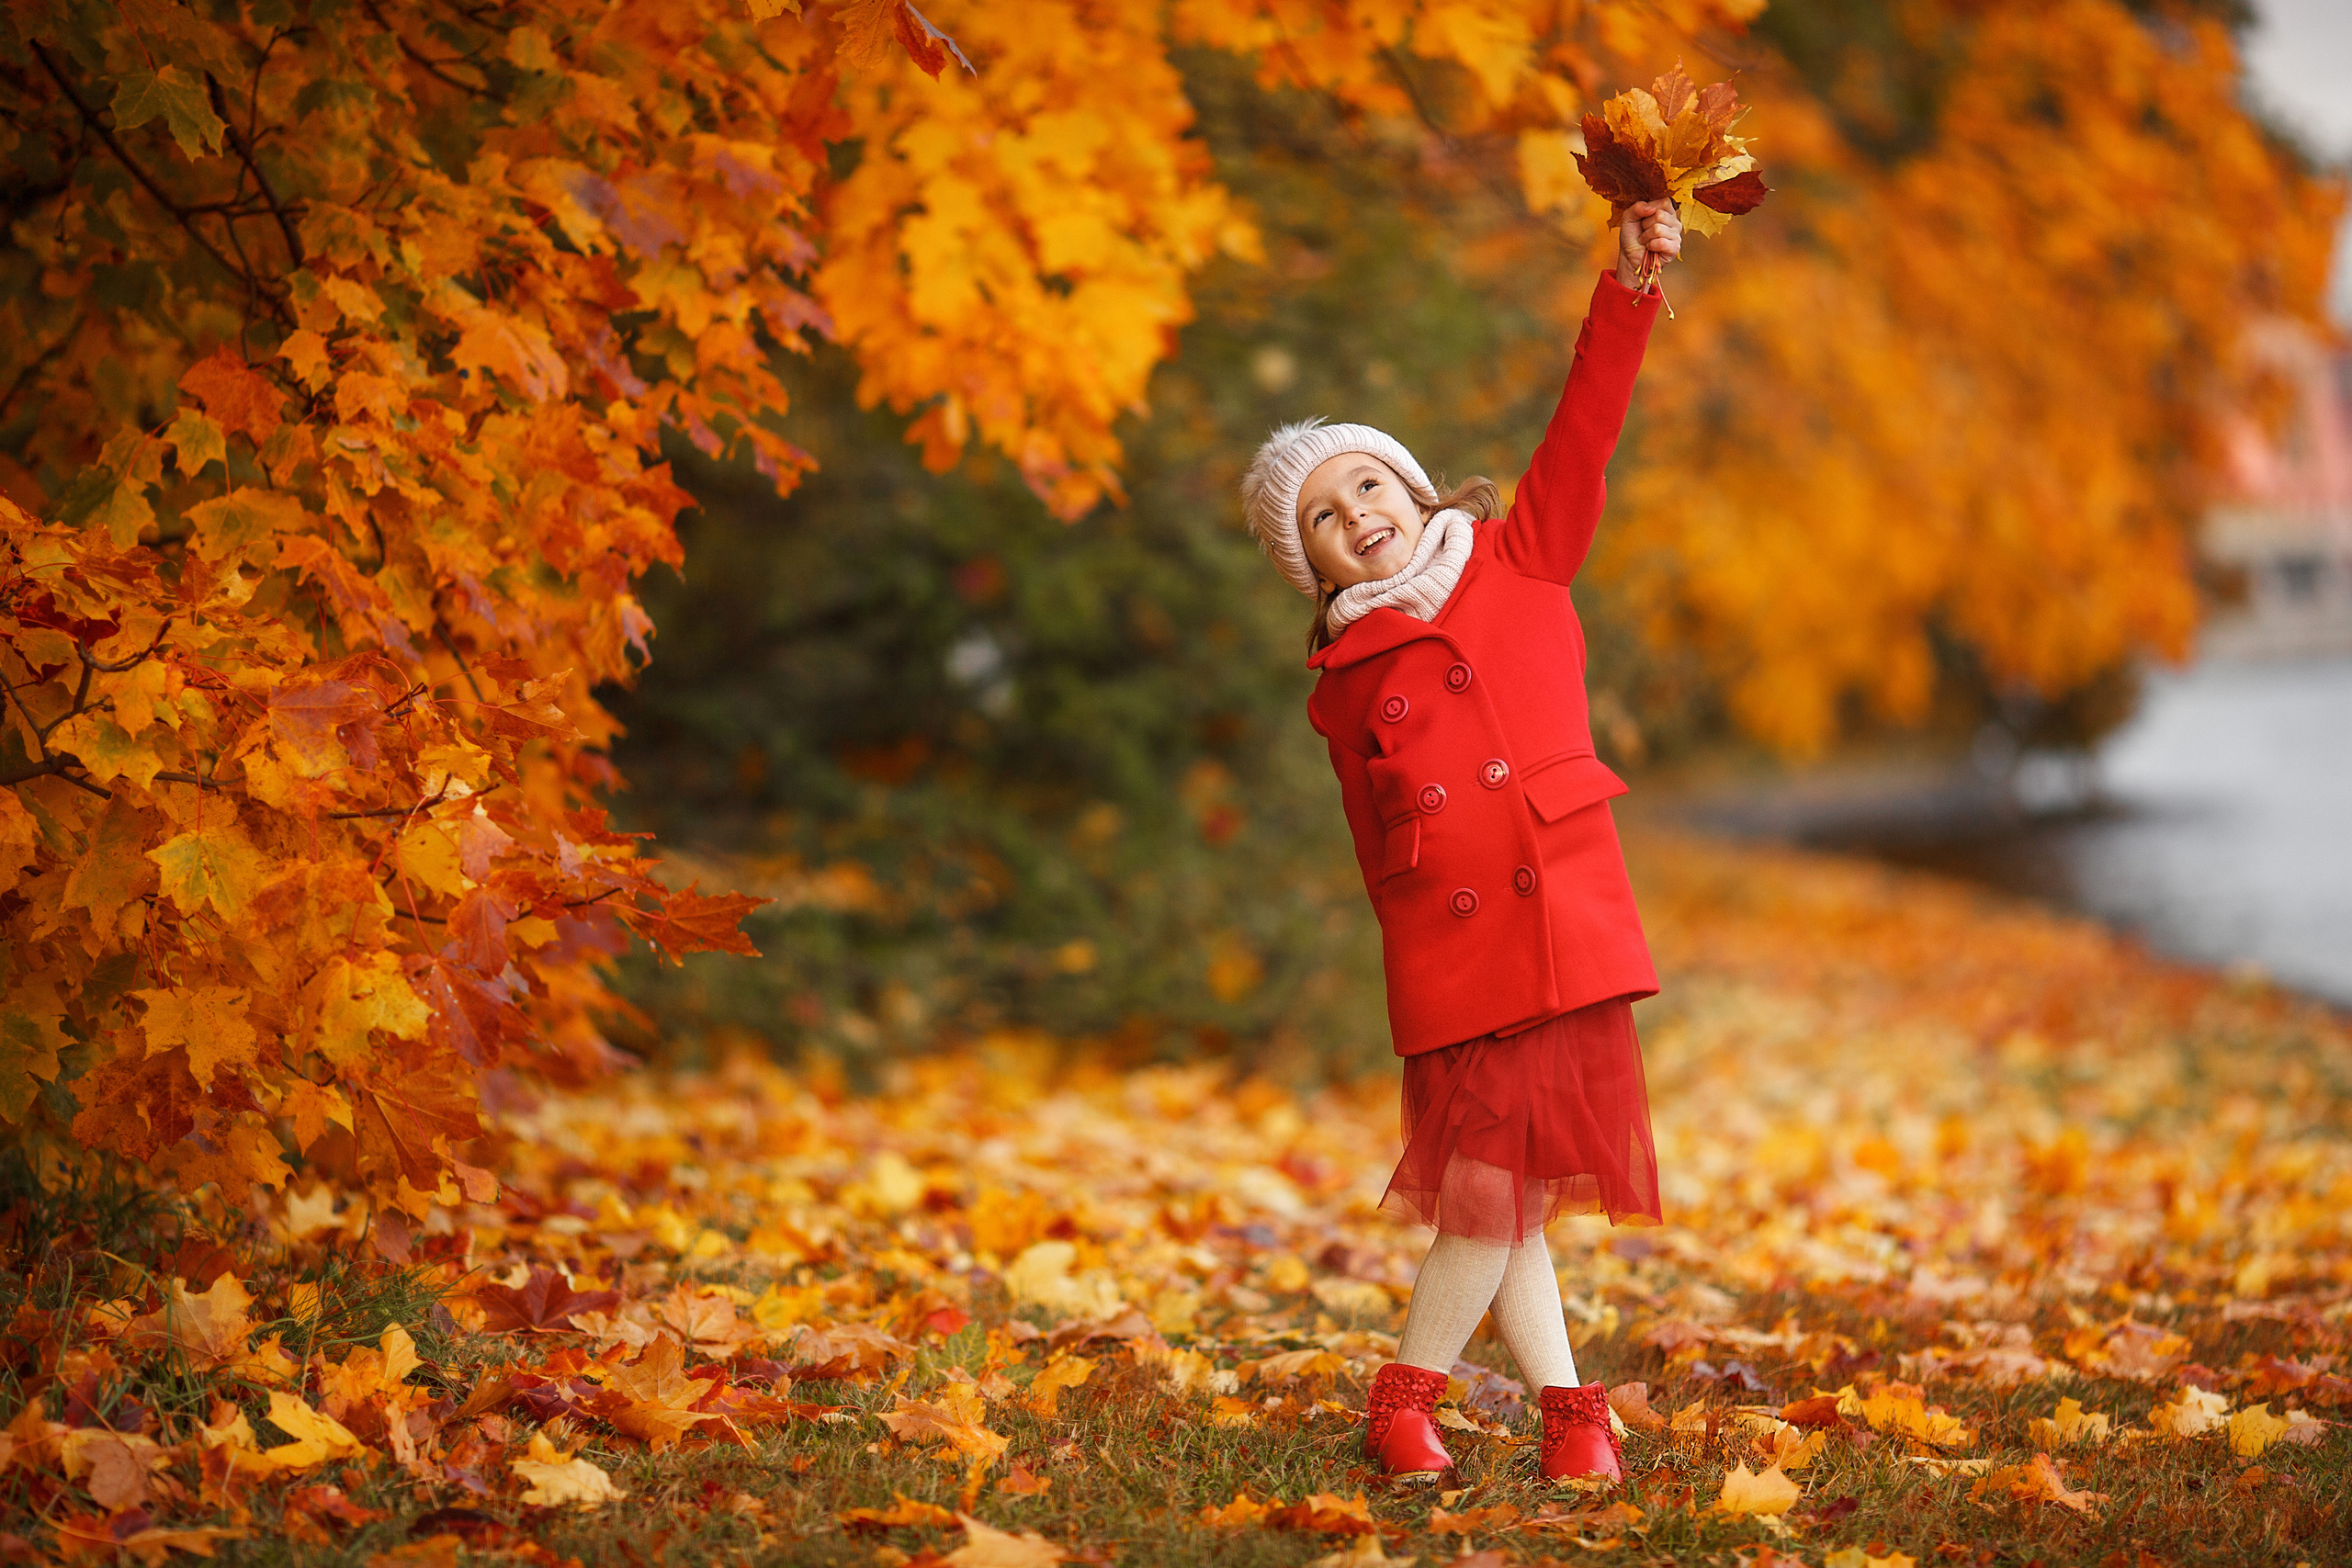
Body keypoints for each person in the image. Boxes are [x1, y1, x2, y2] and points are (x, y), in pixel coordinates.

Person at [1238, 199, 1683, 1483]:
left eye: (1364, 484)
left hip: (1564, 925)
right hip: (1458, 962)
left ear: (1410, 482)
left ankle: (1526, 1417)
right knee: (1500, 1198)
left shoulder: (1522, 556)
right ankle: (1500, 1415)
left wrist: (1627, 288)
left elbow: (1587, 424)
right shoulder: (1342, 686)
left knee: (1506, 1197)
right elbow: (1378, 854)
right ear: (1312, 568)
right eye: (1321, 519)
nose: (1355, 515)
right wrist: (1415, 979)